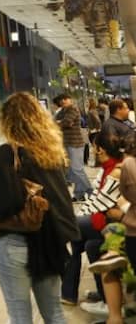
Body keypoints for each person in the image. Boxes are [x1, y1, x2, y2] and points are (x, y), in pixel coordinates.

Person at [0, 92, 78, 324]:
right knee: (54, 313)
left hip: (15, 241)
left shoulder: (8, 152)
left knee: (20, 317)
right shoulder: (52, 151)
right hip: (50, 242)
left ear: (8, 121)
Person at [61, 131, 124, 311]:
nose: (94, 152)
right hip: (106, 219)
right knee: (89, 244)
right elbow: (94, 200)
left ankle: (69, 293)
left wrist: (77, 220)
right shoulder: (106, 170)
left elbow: (101, 203)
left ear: (101, 150)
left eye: (95, 148)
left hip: (115, 223)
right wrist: (81, 216)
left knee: (68, 230)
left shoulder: (116, 171)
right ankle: (102, 295)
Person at [54, 93, 92, 200]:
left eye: (66, 99)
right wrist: (60, 122)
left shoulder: (73, 109)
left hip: (75, 143)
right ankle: (79, 194)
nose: (63, 101)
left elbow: (67, 122)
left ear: (70, 99)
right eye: (62, 100)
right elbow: (55, 120)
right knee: (73, 170)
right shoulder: (63, 111)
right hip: (67, 143)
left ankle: (91, 191)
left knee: (76, 170)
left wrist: (60, 122)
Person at [85, 98, 103, 167]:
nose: (86, 104)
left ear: (91, 103)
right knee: (96, 147)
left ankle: (97, 163)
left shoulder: (91, 111)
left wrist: (96, 129)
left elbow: (97, 121)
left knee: (95, 148)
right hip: (94, 131)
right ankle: (98, 163)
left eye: (87, 102)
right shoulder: (92, 111)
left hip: (94, 132)